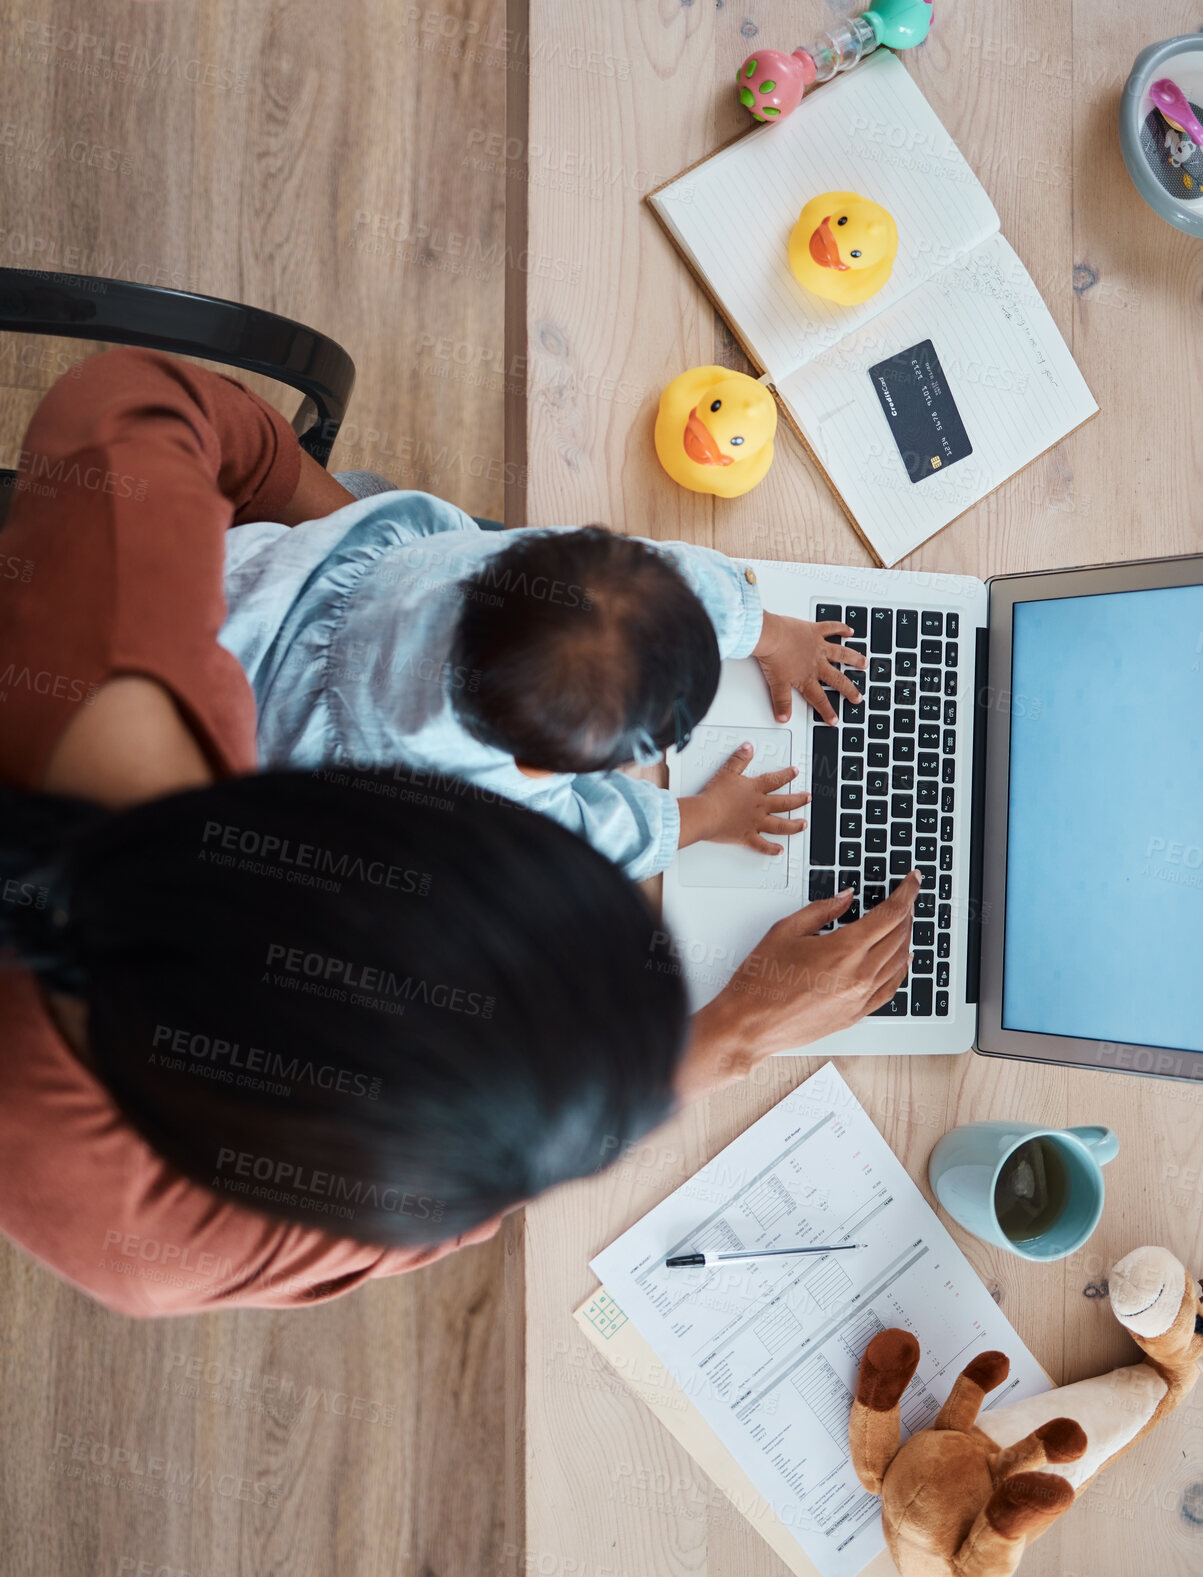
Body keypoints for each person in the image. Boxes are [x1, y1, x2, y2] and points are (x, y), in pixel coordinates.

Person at [0, 348, 918, 1318]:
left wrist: (339, 533)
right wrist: (731, 1036)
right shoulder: (157, 1235)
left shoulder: (115, 641)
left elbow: (139, 402)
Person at [219, 484, 865, 879]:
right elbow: (588, 842)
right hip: (251, 737)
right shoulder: (487, 798)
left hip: (253, 586)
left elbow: (659, 581)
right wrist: (707, 814)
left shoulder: (541, 570)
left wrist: (773, 633)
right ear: (537, 767)